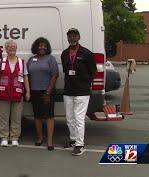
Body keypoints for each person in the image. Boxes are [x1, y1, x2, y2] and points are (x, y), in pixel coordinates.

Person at [61, 28, 97, 156]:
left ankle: (80, 144)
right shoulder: (65, 53)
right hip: (68, 90)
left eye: (74, 36)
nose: (72, 38)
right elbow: (66, 70)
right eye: (70, 36)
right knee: (70, 118)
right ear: (67, 38)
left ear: (79, 37)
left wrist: (87, 84)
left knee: (79, 118)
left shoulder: (86, 53)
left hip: (82, 91)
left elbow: (93, 71)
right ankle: (73, 139)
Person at [0, 40, 30, 147]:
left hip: (17, 94)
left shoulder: (22, 62)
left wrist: (28, 92)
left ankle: (14, 137)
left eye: (14, 47)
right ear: (6, 49)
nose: (12, 48)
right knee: (3, 116)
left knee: (16, 117)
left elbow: (25, 77)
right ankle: (4, 137)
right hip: (3, 94)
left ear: (16, 49)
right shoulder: (0, 62)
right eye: (9, 47)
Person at [27, 37, 59, 151]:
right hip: (34, 91)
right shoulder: (31, 60)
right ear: (36, 47)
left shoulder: (50, 59)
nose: (42, 47)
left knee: (49, 116)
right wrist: (28, 90)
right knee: (37, 116)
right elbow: (27, 76)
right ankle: (40, 138)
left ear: (47, 48)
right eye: (40, 45)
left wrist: (48, 92)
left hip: (47, 92)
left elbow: (55, 75)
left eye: (44, 46)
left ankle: (50, 140)